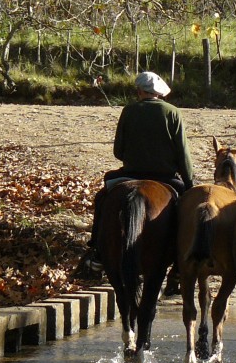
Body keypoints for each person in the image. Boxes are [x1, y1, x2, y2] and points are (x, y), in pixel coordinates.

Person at [78, 71, 194, 283]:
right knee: (185, 210)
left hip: (130, 174)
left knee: (102, 199)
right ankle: (179, 261)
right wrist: (190, 182)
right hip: (166, 177)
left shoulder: (128, 111)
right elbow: (183, 153)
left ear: (139, 91)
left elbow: (118, 151)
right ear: (159, 93)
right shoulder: (173, 112)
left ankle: (96, 250)